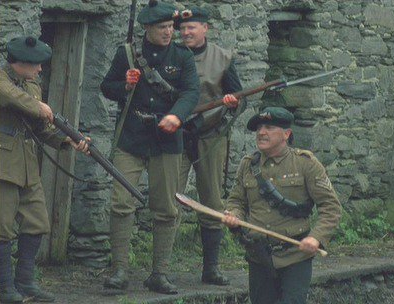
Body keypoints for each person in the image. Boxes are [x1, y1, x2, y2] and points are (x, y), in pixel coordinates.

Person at [100, 0, 200, 295]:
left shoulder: (182, 56)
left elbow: (191, 91)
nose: (169, 32)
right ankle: (119, 270)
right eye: (162, 28)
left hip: (167, 141)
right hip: (131, 138)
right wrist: (126, 86)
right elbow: (107, 87)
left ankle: (160, 273)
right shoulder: (127, 54)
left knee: (167, 208)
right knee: (121, 203)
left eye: (171, 27)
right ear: (147, 29)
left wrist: (176, 116)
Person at [0, 36, 89, 303]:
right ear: (21, 63)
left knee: (37, 221)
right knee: (2, 227)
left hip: (27, 163)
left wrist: (67, 139)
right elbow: (10, 96)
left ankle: (25, 283)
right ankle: (7, 291)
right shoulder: (1, 79)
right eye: (36, 65)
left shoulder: (32, 86)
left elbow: (41, 128)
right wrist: (38, 106)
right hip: (2, 164)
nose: (40, 70)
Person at [222, 107, 342, 304]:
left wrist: (316, 238)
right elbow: (236, 201)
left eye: (269, 127)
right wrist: (233, 215)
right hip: (259, 255)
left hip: (295, 255)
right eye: (259, 128)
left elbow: (331, 207)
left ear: (286, 134)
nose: (261, 132)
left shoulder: (305, 164)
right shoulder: (248, 165)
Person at [175, 6, 243, 286]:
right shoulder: (173, 56)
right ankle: (161, 270)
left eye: (192, 28)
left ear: (205, 29)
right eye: (183, 29)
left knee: (212, 201)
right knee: (170, 199)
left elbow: (240, 97)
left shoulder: (223, 58)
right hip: (177, 135)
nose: (186, 32)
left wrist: (231, 103)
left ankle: (211, 268)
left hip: (210, 136)